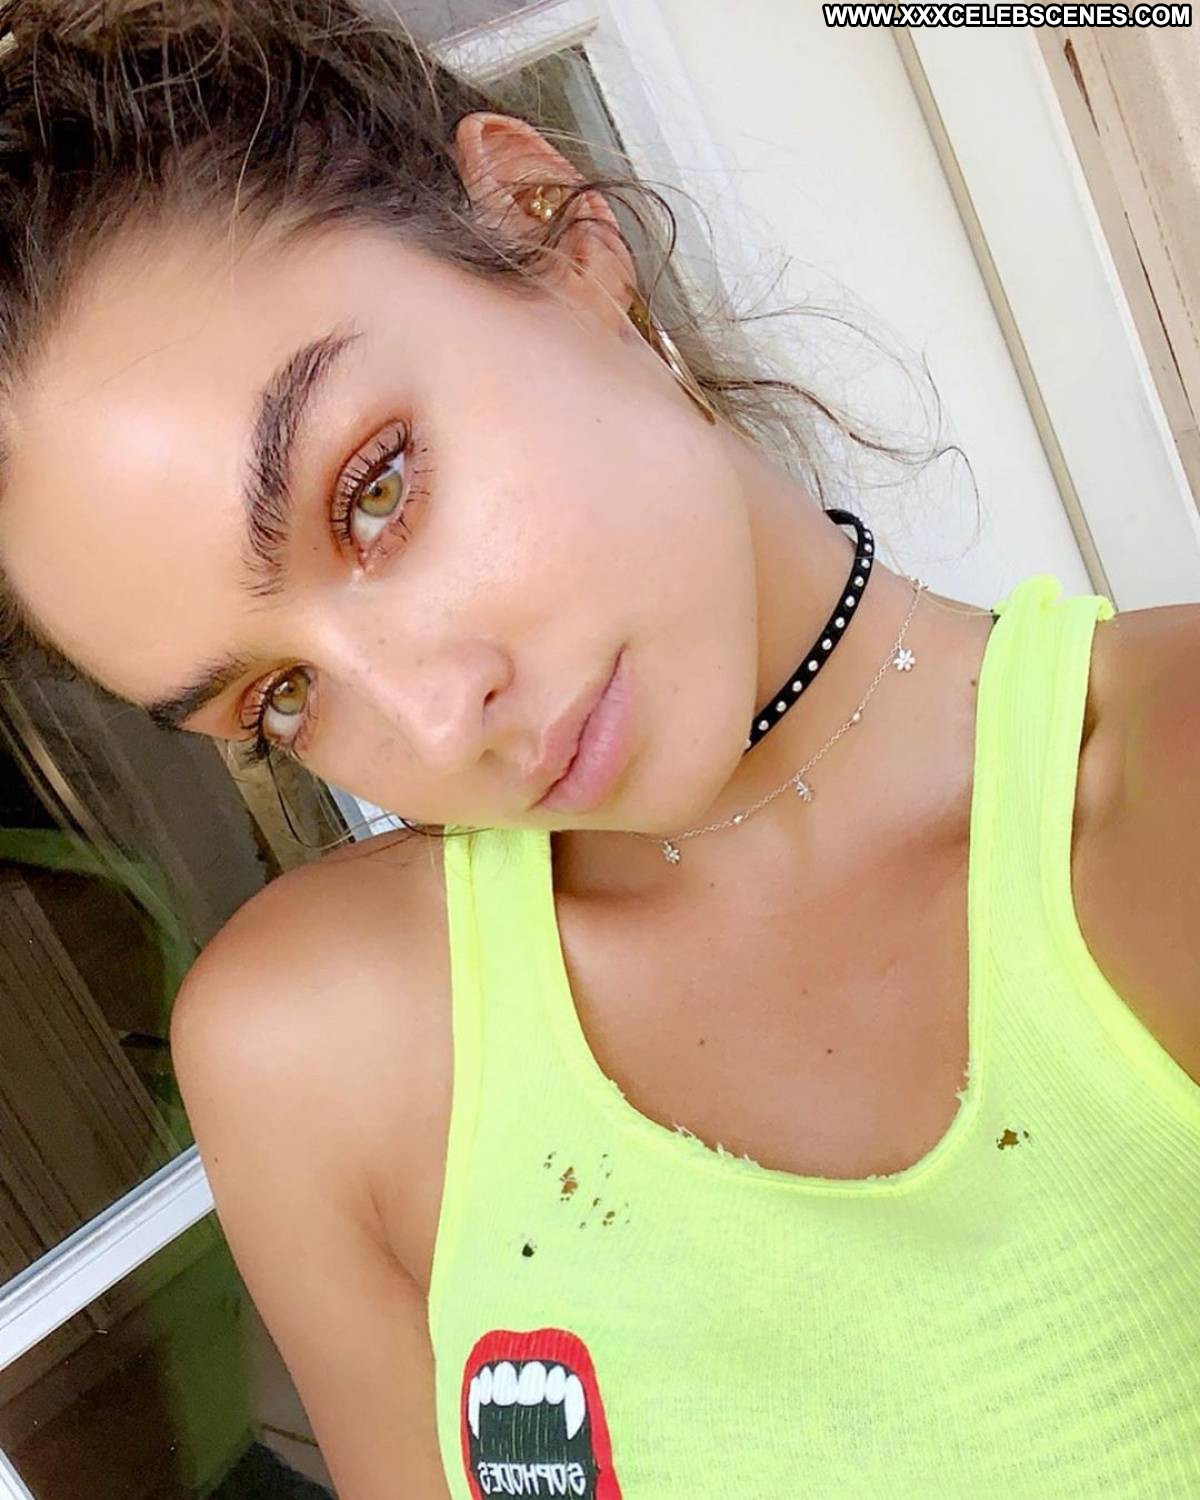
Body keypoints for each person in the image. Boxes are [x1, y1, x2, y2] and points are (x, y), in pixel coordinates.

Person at [0, 3, 1196, 1496]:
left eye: (375, 493)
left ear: (548, 223)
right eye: (280, 699)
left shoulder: (1157, 800)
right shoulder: (321, 1053)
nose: (435, 723)